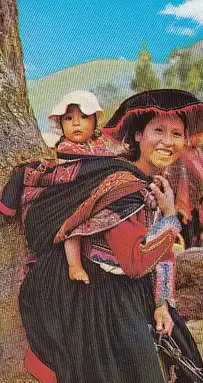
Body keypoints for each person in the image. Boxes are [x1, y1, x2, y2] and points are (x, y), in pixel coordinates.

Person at [0, 89, 203, 383]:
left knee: (179, 337)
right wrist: (169, 219)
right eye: (158, 131)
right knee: (136, 346)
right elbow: (134, 260)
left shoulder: (153, 180)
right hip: (96, 287)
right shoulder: (123, 185)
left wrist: (163, 303)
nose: (168, 141)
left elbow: (159, 259)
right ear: (139, 137)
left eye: (177, 133)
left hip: (134, 282)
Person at [48, 90, 121, 284]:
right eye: (69, 118)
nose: (76, 123)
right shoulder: (66, 148)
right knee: (73, 224)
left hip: (96, 196)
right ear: (61, 124)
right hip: (73, 197)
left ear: (95, 122)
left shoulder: (99, 146)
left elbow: (109, 160)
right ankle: (74, 265)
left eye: (84, 117)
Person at [178, 134, 203, 247]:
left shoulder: (197, 152)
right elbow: (182, 181)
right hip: (185, 204)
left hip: (197, 203)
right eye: (198, 136)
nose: (201, 139)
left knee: (196, 235)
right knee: (187, 237)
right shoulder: (181, 153)